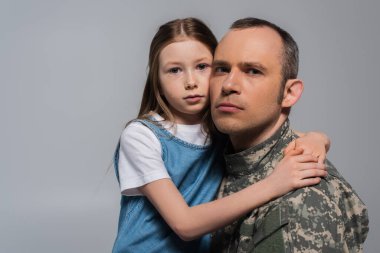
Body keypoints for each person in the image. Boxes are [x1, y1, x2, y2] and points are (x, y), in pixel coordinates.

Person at [112, 18, 330, 253]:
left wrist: (317, 139)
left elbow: (295, 136)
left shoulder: (222, 125)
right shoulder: (142, 136)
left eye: (202, 67)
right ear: (157, 81)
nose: (191, 82)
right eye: (174, 70)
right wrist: (274, 184)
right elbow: (185, 224)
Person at [209, 17, 369, 253]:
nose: (229, 84)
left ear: (289, 93)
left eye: (253, 71)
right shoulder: (213, 155)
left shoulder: (301, 199)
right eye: (222, 69)